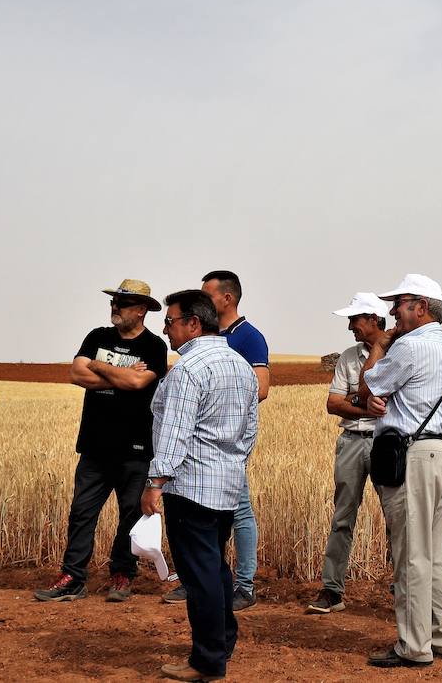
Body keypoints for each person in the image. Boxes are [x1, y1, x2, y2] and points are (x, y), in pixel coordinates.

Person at [143, 289, 259, 683]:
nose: (166, 329)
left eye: (170, 321)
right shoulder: (240, 366)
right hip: (226, 486)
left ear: (193, 323)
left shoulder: (189, 370)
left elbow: (174, 434)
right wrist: (231, 465)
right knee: (216, 567)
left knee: (199, 575)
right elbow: (249, 431)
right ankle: (222, 641)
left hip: (189, 486)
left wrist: (155, 482)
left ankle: (207, 661)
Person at [35, 279, 168, 603]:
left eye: (123, 304)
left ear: (140, 311)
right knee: (81, 513)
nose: (115, 307)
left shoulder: (154, 346)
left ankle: (122, 575)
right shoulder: (97, 337)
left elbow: (139, 382)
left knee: (130, 515)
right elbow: (77, 373)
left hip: (136, 449)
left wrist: (100, 368)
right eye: (114, 302)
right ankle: (72, 577)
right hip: (94, 446)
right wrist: (109, 369)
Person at [358, 274, 442, 668]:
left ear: (420, 306)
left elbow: (369, 387)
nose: (392, 311)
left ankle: (414, 646)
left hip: (414, 456)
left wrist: (381, 344)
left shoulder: (410, 346)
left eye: (398, 303)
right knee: (438, 555)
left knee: (412, 556)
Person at [164, 271, 269, 611]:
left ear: (227, 298)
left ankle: (243, 584)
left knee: (238, 512)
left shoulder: (248, 337)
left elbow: (260, 389)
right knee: (213, 525)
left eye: (207, 294)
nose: (203, 299)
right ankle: (201, 577)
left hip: (222, 446)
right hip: (206, 453)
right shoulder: (214, 337)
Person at [306, 291, 391, 614]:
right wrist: (366, 401)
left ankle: (402, 587)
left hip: (387, 441)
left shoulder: (400, 351)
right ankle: (332, 589)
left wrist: (353, 398)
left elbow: (394, 404)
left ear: (372, 320)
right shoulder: (348, 356)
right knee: (342, 517)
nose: (350, 327)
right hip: (353, 441)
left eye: (354, 320)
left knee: (396, 519)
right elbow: (333, 404)